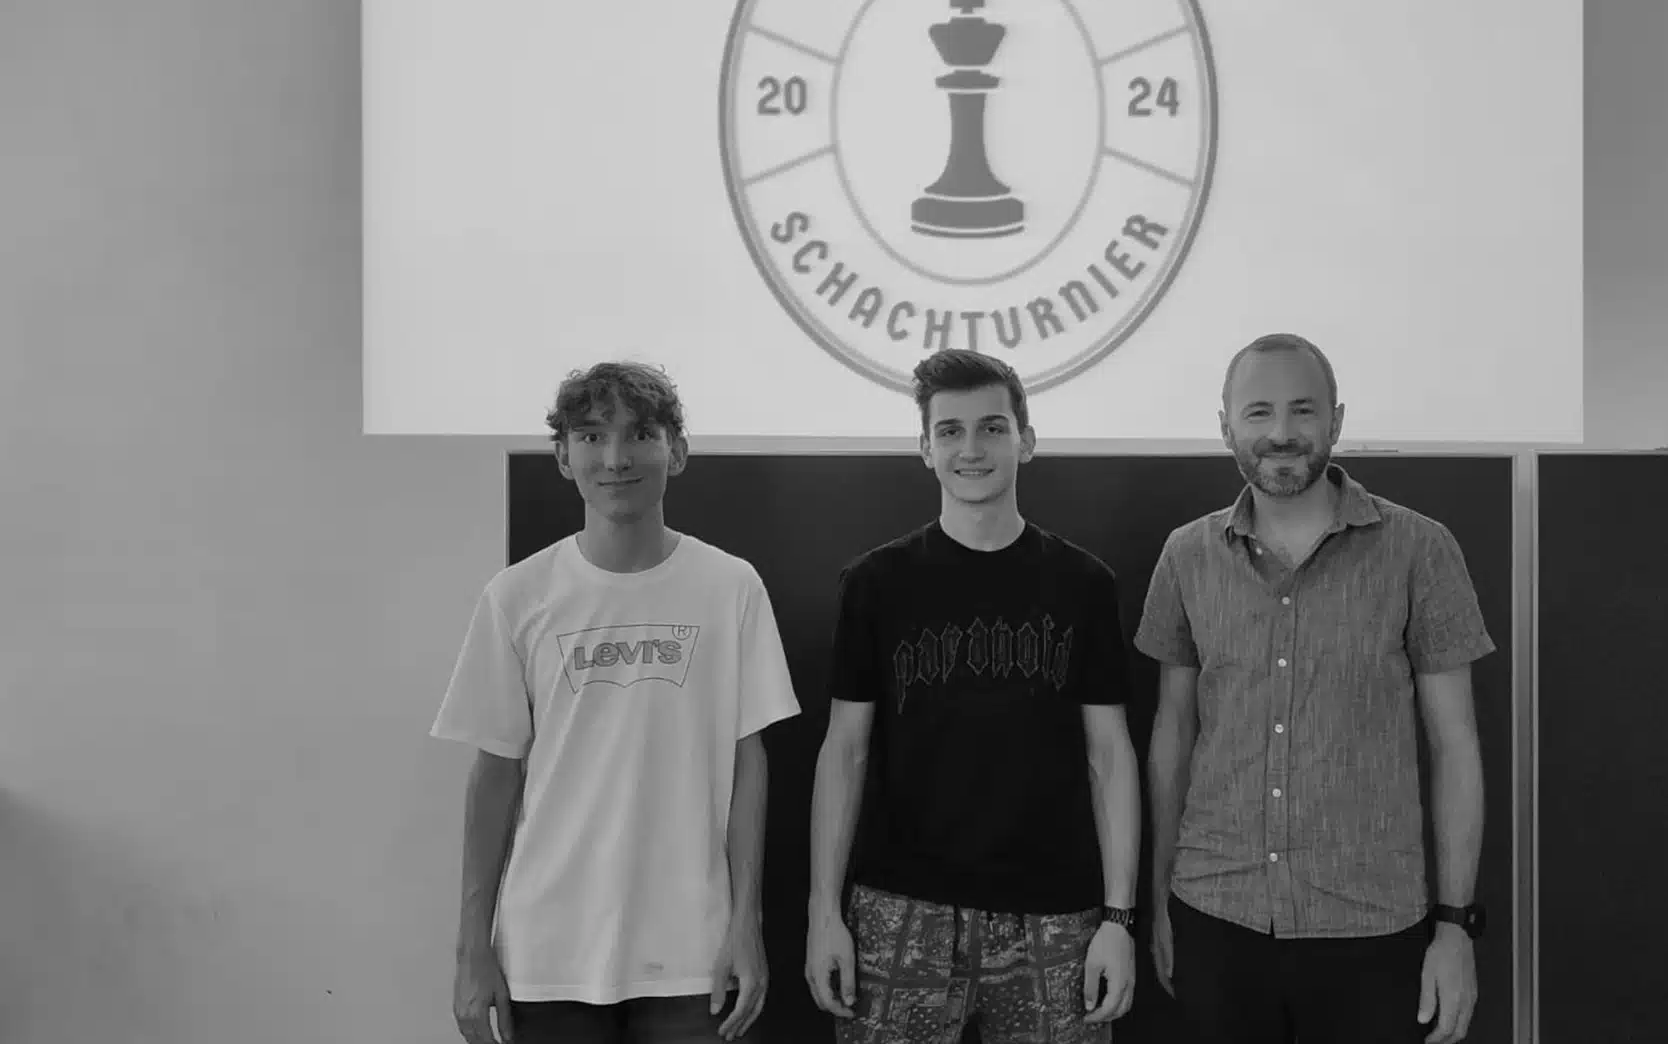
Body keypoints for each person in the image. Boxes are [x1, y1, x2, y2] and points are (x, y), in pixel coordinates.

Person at [1137, 334, 1496, 1044]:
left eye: (1302, 410)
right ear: (1226, 427)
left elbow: (1456, 747)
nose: (1281, 432)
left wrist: (1455, 928)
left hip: (1373, 929)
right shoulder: (1186, 556)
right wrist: (1158, 900)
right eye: (1258, 412)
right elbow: (1172, 735)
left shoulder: (1419, 549)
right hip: (1215, 917)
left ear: (1336, 420)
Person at [430, 361, 801, 1044]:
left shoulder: (731, 587)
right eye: (592, 436)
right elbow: (495, 775)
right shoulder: (516, 596)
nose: (615, 458)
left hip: (693, 954)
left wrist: (745, 924)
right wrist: (470, 947)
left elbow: (749, 766)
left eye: (640, 434)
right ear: (563, 456)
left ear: (676, 451)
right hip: (548, 956)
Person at [803, 350, 1142, 1044]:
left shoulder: (1083, 584)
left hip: (1056, 913)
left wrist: (1118, 918)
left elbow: (1109, 755)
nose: (971, 449)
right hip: (900, 910)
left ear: (1026, 440)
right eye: (950, 431)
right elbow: (844, 752)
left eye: (992, 428)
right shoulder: (875, 583)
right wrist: (822, 912)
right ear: (926, 449)